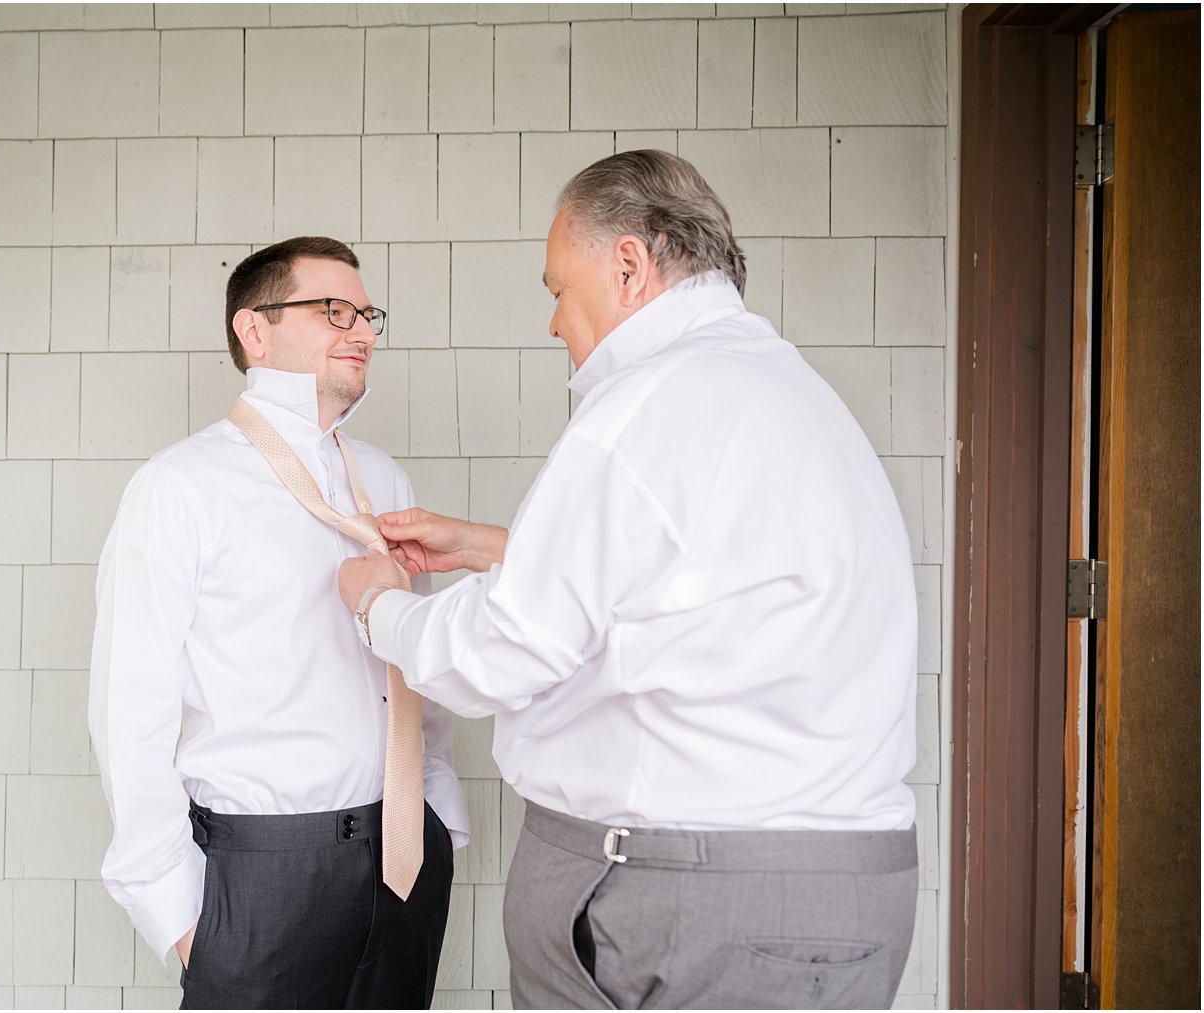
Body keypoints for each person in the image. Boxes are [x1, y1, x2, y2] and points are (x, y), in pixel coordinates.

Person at [338, 151, 920, 1010]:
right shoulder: (791, 394)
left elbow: (504, 650)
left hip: (689, 899)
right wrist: (500, 545)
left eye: (558, 290)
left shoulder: (642, 408)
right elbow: (709, 577)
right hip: (845, 889)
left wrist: (376, 606)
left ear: (628, 265)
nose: (553, 322)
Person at [89, 236, 467, 1010]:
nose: (361, 329)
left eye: (366, 313)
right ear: (253, 332)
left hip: (403, 859)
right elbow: (130, 707)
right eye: (334, 310)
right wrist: (187, 917)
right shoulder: (180, 488)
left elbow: (407, 665)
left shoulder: (383, 479)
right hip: (259, 881)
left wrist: (438, 819)